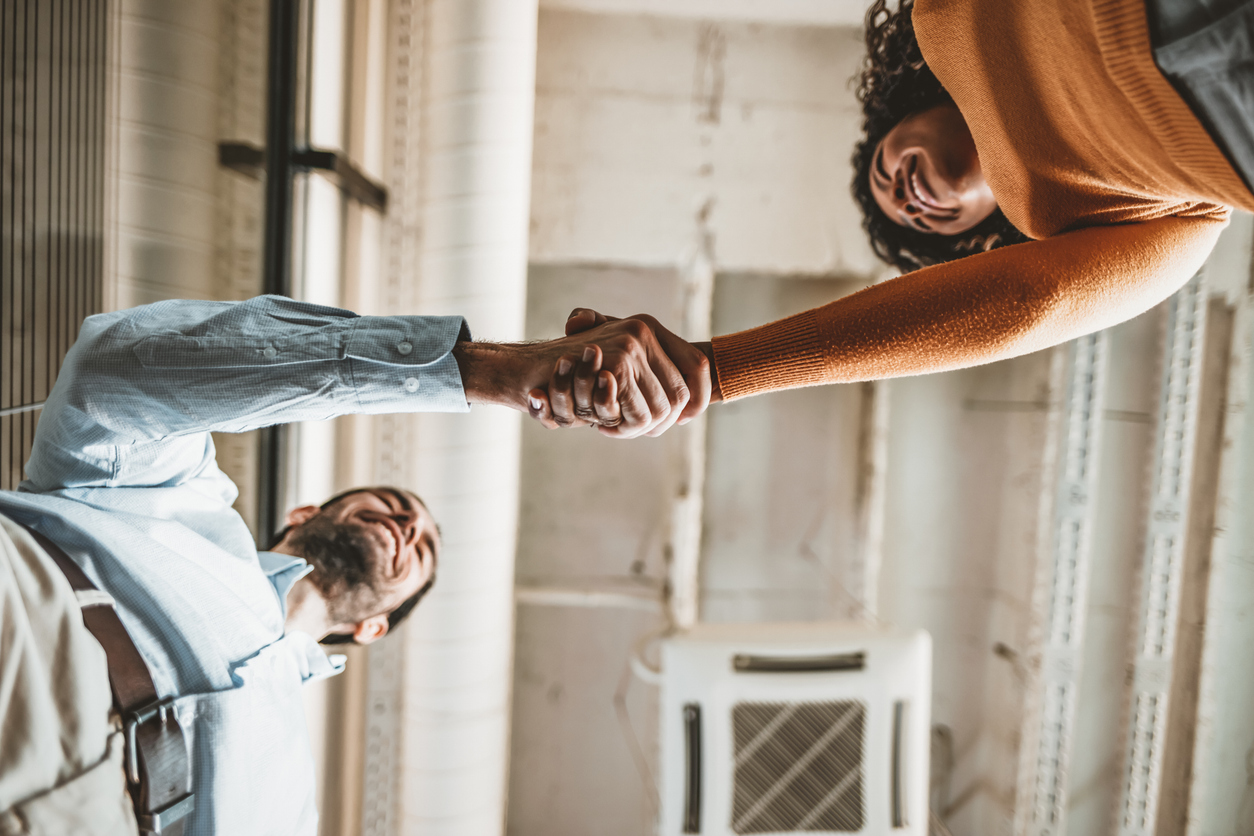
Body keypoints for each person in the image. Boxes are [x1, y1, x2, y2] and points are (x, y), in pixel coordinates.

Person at [0, 294, 696, 834]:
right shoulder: (175, 500)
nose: (407, 523)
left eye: (417, 546)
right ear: (304, 514)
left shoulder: (295, 805)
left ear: (375, 629)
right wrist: (492, 371)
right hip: (23, 624)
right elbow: (115, 370)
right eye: (393, 504)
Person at [529, 0, 1254, 432]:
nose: (906, 198)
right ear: (984, 233)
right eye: (924, 223)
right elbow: (1034, 302)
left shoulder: (948, 19)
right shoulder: (1121, 227)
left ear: (897, 113)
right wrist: (717, 371)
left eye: (885, 173)